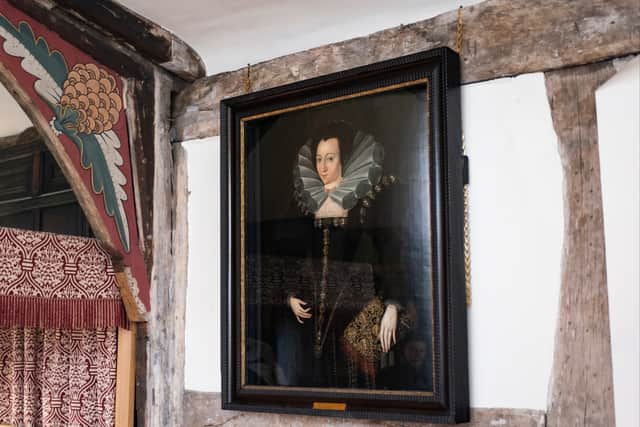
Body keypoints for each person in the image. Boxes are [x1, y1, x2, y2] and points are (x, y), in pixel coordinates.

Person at [283, 121, 411, 389]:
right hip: (314, 314)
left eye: (330, 158)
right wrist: (292, 295)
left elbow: (390, 254)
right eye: (319, 159)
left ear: (344, 160)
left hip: (356, 310)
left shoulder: (366, 200)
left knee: (352, 379)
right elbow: (298, 257)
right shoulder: (307, 203)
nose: (323, 166)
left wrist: (392, 305)